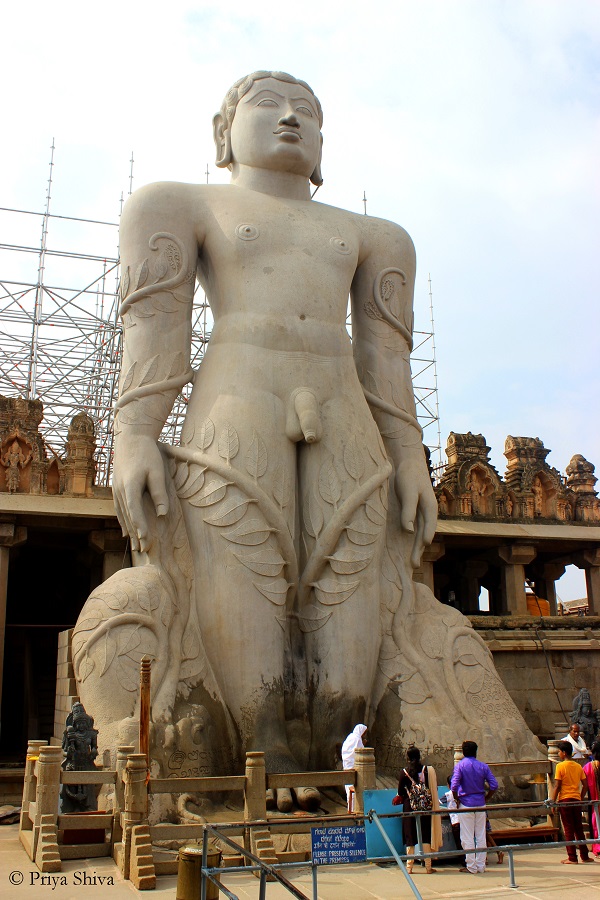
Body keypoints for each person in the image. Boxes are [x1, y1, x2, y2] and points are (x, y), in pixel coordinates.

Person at [72, 69, 542, 786]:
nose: (291, 118)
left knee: (349, 580)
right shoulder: (176, 204)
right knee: (239, 574)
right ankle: (263, 759)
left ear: (323, 144)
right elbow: (154, 328)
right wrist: (135, 431)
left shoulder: (377, 236)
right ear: (223, 133)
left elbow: (385, 361)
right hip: (237, 400)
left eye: (308, 112)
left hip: (341, 407)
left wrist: (410, 457)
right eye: (268, 105)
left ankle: (339, 754)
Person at [450, 740, 498, 874]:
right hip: (481, 803)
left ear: (463, 752)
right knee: (481, 835)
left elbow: (454, 786)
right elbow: (494, 785)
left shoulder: (460, 766)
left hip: (466, 803)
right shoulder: (483, 766)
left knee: (467, 836)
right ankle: (481, 865)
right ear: (476, 751)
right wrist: (487, 797)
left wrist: (456, 798)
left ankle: (471, 866)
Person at [395, 747, 441, 874]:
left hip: (409, 806)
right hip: (425, 806)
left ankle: (409, 868)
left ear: (407, 758)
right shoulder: (427, 770)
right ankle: (428, 867)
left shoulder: (404, 772)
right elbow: (434, 788)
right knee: (425, 835)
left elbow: (400, 792)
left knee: (410, 835)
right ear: (419, 756)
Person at [550, 740, 593, 864]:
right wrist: (579, 796)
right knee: (578, 827)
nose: (558, 753)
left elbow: (557, 785)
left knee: (568, 829)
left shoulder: (560, 766)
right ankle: (584, 856)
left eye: (559, 751)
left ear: (564, 753)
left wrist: (553, 801)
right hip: (576, 799)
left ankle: (572, 857)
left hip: (565, 800)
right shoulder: (578, 766)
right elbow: (585, 785)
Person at [341, 724, 367, 811]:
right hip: (354, 767)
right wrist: (363, 744)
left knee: (349, 790)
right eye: (364, 733)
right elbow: (362, 752)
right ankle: (354, 811)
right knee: (354, 791)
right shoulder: (357, 739)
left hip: (346, 766)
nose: (364, 735)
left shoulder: (349, 737)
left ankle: (351, 809)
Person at [582, 741, 600, 861]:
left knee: (595, 824)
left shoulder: (589, 767)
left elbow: (584, 784)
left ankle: (598, 848)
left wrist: (580, 797)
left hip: (595, 802)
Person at [443, 777, 464, 867]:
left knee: (459, 843)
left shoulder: (448, 794)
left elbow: (437, 802)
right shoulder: (462, 793)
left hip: (455, 821)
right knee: (466, 841)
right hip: (464, 820)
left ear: (448, 785)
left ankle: (464, 862)